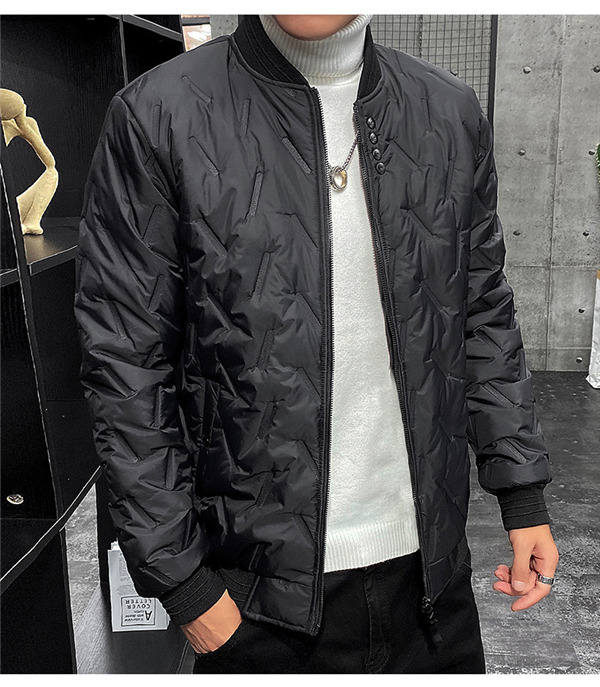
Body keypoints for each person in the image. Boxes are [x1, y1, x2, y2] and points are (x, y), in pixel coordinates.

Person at [74, 14, 560, 673]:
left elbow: (481, 314)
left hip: (432, 588)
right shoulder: (160, 114)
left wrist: (522, 492)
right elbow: (126, 365)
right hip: (255, 602)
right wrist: (181, 579)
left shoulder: (447, 110)